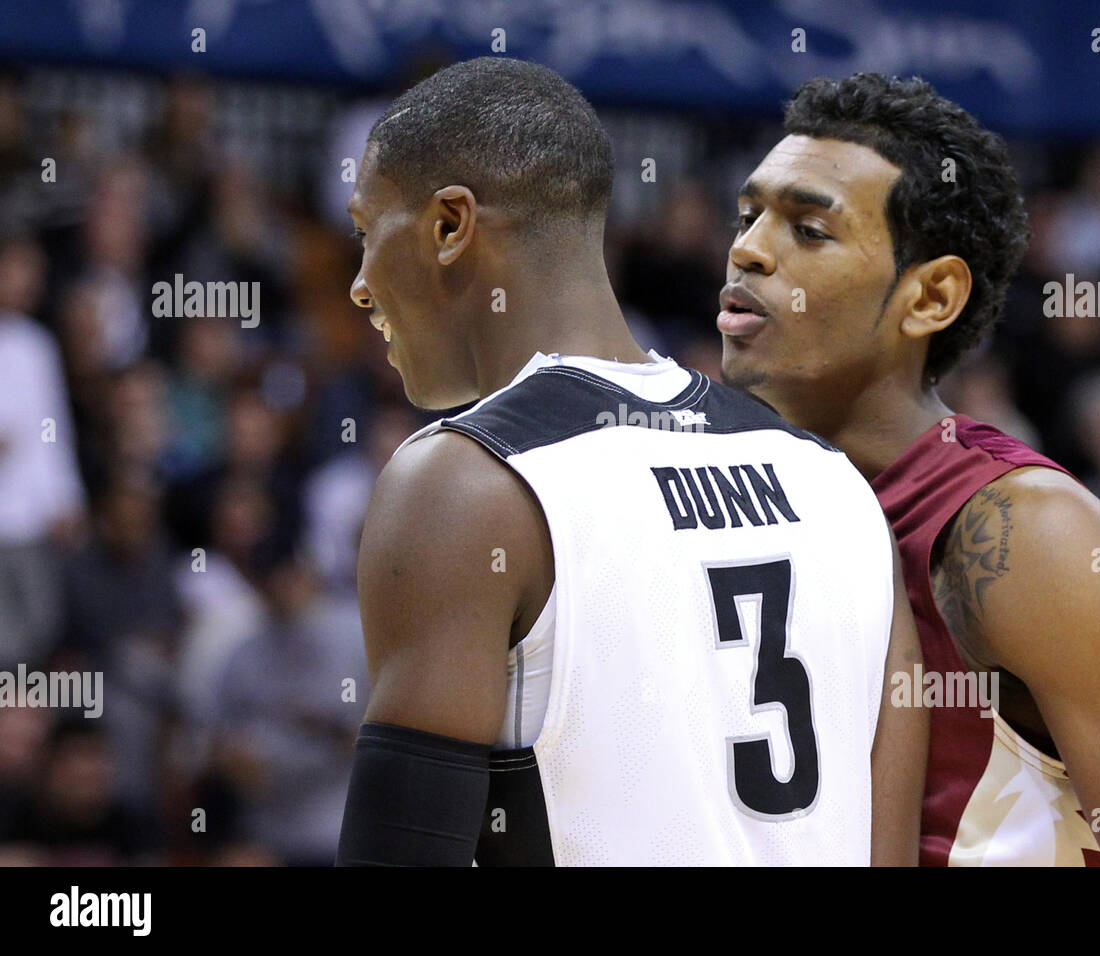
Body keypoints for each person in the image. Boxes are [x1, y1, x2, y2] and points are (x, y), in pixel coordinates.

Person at [334, 58, 925, 866]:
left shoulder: (467, 485)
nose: (361, 286)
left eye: (368, 235)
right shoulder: (833, 485)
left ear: (449, 226)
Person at [717, 72, 1100, 866]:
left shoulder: (1028, 534)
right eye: (749, 214)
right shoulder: (715, 492)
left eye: (808, 230)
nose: (749, 249)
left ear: (930, 297)